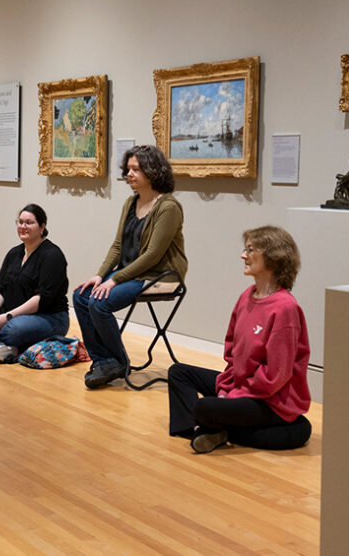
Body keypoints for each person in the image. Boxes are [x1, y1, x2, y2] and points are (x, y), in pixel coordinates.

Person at [167, 226, 311, 454]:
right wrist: (227, 386)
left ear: (273, 257)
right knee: (178, 372)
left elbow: (276, 376)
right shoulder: (247, 295)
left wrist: (232, 395)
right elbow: (232, 352)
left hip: (270, 399)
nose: (243, 255)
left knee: (205, 405)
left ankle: (212, 427)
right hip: (240, 385)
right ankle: (197, 429)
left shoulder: (285, 308)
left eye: (250, 249)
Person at [73, 144, 187, 389]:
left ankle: (118, 362)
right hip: (131, 274)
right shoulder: (130, 202)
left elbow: (153, 256)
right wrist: (100, 275)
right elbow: (117, 246)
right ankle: (105, 360)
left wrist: (114, 280)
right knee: (81, 296)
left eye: (136, 169)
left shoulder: (168, 207)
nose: (129, 174)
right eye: (128, 169)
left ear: (153, 171)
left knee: (99, 303)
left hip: (159, 276)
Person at [0, 204, 69, 362]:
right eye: (20, 222)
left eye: (29, 223)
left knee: (13, 330)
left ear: (42, 226)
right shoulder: (14, 253)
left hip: (48, 317)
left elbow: (41, 300)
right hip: (11, 314)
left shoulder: (52, 255)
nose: (23, 227)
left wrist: (6, 317)